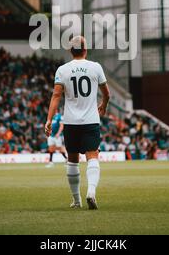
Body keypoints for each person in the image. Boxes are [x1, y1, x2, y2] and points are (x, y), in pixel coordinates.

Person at [45, 36, 110, 210]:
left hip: (71, 122)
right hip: (90, 120)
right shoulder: (96, 67)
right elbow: (106, 93)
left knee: (72, 160)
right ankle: (91, 192)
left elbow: (56, 96)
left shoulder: (62, 70)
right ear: (85, 49)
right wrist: (103, 105)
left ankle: (76, 200)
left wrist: (49, 119)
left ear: (70, 51)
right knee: (93, 156)